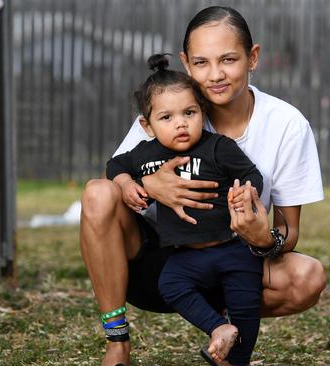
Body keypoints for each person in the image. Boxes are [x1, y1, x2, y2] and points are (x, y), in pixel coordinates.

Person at [79, 6, 326, 366]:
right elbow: (110, 192)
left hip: (232, 261)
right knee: (95, 191)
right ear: (185, 62)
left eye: (228, 59)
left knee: (308, 276)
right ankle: (117, 342)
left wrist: (262, 237)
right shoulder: (167, 109)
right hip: (156, 265)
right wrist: (150, 184)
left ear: (252, 57)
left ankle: (223, 332)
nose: (215, 75)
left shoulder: (286, 125)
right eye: (201, 62)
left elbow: (288, 232)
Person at [106, 53, 265, 365]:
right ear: (147, 125)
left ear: (201, 112)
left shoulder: (218, 147)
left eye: (189, 113)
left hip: (232, 248)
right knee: (171, 285)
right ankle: (218, 328)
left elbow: (251, 174)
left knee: (245, 304)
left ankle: (236, 359)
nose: (180, 123)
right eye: (166, 117)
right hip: (186, 254)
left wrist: (247, 193)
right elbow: (115, 165)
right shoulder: (145, 154)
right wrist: (126, 183)